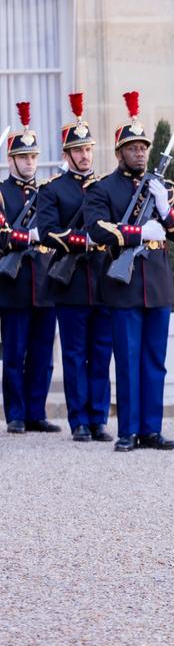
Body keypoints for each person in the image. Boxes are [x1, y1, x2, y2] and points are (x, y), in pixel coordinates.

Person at [85, 91, 174, 451]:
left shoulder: (163, 188)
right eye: (132, 148)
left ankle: (151, 429)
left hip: (157, 284)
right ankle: (128, 431)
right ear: (119, 153)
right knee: (127, 361)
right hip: (125, 283)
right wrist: (136, 232)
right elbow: (96, 228)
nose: (140, 152)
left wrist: (165, 207)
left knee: (154, 362)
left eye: (143, 147)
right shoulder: (103, 188)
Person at [36, 92, 113, 442]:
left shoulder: (106, 187)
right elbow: (48, 231)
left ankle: (98, 418)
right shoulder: (52, 190)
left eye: (88, 150)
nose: (85, 156)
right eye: (78, 151)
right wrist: (85, 240)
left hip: (104, 279)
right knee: (75, 353)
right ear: (66, 155)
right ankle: (78, 420)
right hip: (71, 280)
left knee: (101, 353)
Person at [0, 100, 60, 435]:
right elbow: (1, 236)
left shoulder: (45, 193)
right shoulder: (2, 194)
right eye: (24, 157)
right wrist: (28, 236)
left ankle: (36, 411)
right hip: (14, 283)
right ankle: (16, 414)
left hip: (44, 282)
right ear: (11, 160)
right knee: (15, 352)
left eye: (34, 156)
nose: (30, 162)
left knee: (42, 354)